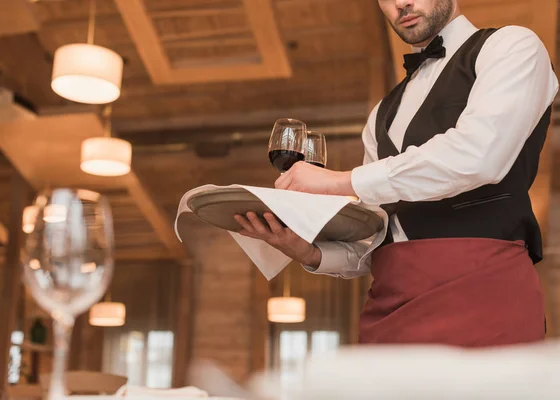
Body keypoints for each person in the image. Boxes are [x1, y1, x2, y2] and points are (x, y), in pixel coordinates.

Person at [233, 0, 559, 347]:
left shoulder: (512, 46)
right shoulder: (381, 114)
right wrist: (312, 253)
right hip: (389, 305)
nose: (401, 3)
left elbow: (478, 155)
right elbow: (380, 232)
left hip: (483, 290)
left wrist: (341, 181)